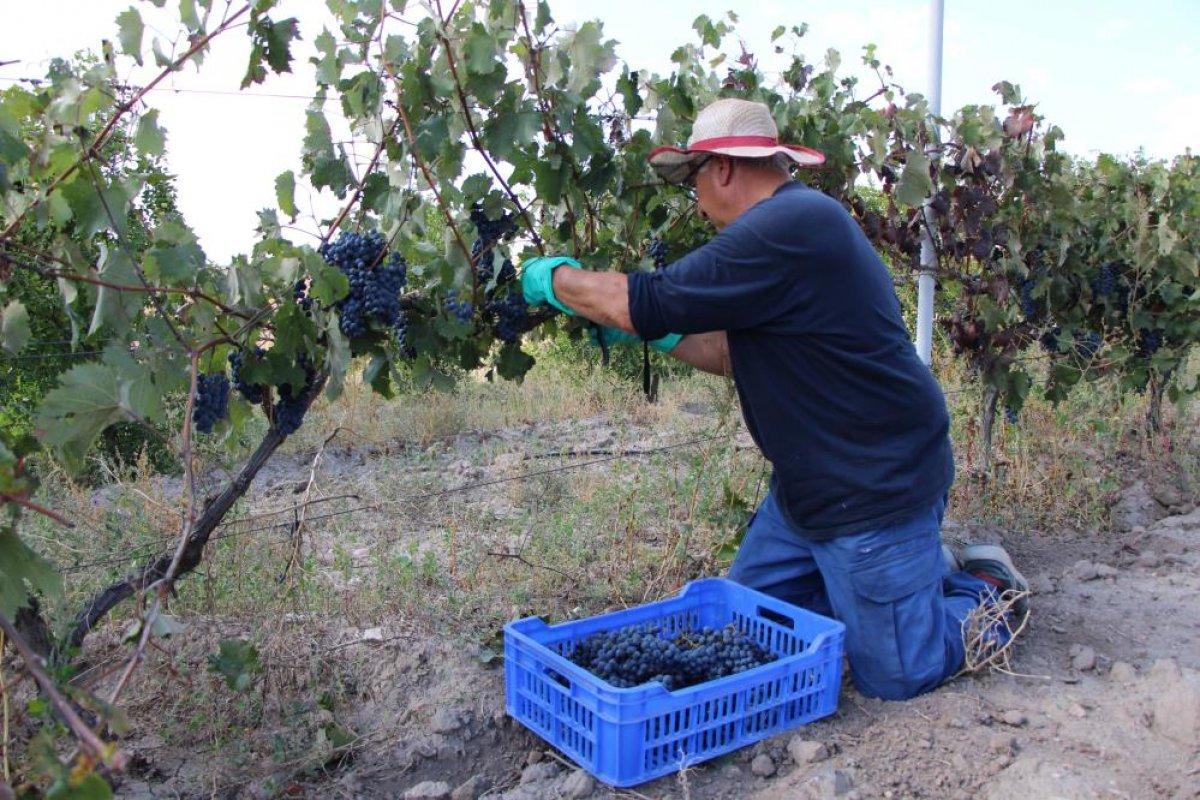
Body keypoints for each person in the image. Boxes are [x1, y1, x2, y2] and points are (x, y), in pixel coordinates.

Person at [520, 98, 1028, 700]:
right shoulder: (784, 236)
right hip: (810, 492)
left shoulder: (788, 226)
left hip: (873, 489)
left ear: (724, 170)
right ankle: (911, 580)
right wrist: (662, 332)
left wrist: (553, 281)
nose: (697, 200)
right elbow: (733, 356)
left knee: (897, 676)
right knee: (749, 636)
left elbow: (648, 298)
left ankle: (985, 589)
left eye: (694, 182)